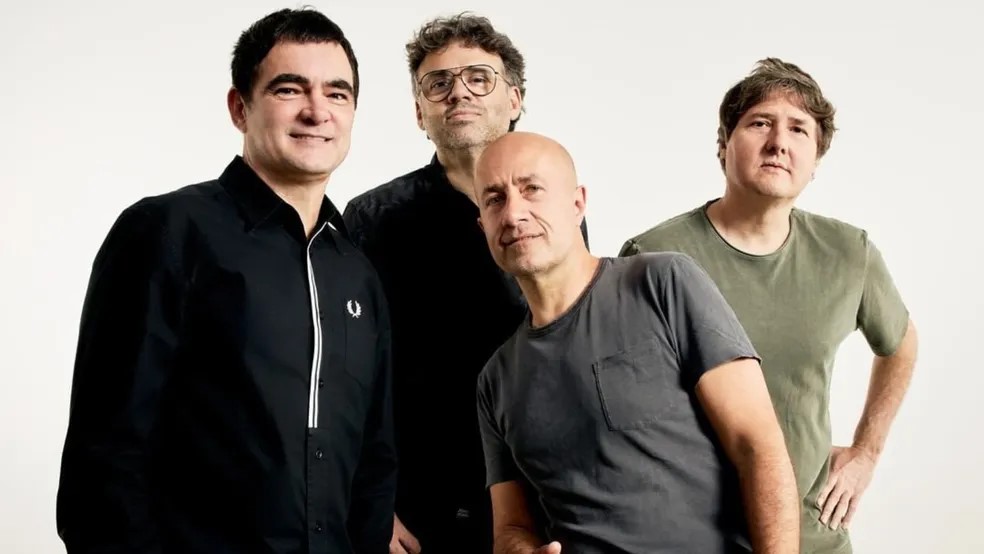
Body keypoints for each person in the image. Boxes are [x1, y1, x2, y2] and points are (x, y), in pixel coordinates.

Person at [55, 8, 396, 553]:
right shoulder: (167, 231)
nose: (317, 111)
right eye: (290, 89)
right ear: (240, 108)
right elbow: (105, 457)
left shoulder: (356, 272)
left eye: (337, 93)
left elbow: (374, 461)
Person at [619, 58, 919, 553]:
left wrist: (866, 452)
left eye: (798, 129)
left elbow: (901, 344)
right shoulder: (652, 258)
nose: (779, 142)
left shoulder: (849, 253)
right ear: (723, 144)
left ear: (815, 160)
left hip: (812, 536)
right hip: (689, 538)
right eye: (760, 123)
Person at [473, 131, 799, 554]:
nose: (514, 213)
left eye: (531, 189)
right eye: (494, 199)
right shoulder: (495, 381)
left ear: (577, 204)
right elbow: (511, 527)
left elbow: (758, 447)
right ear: (482, 225)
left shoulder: (662, 284)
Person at [342, 13, 587, 554]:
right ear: (419, 113)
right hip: (420, 504)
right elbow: (344, 375)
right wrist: (371, 502)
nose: (459, 93)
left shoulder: (557, 208)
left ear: (515, 99)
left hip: (542, 495)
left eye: (479, 78)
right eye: (439, 83)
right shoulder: (370, 220)